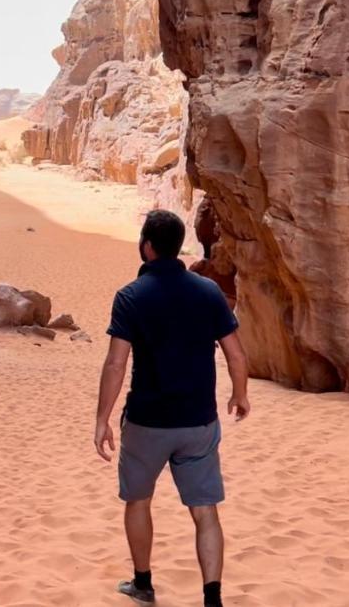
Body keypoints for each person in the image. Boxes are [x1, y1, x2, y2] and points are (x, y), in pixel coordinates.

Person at [93, 210, 251, 607]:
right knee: (205, 511)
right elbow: (235, 353)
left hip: (147, 422)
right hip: (198, 421)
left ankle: (143, 585)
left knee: (139, 501)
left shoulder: (131, 296)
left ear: (147, 246)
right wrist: (240, 394)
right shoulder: (209, 292)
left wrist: (103, 419)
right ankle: (211, 599)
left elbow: (116, 363)